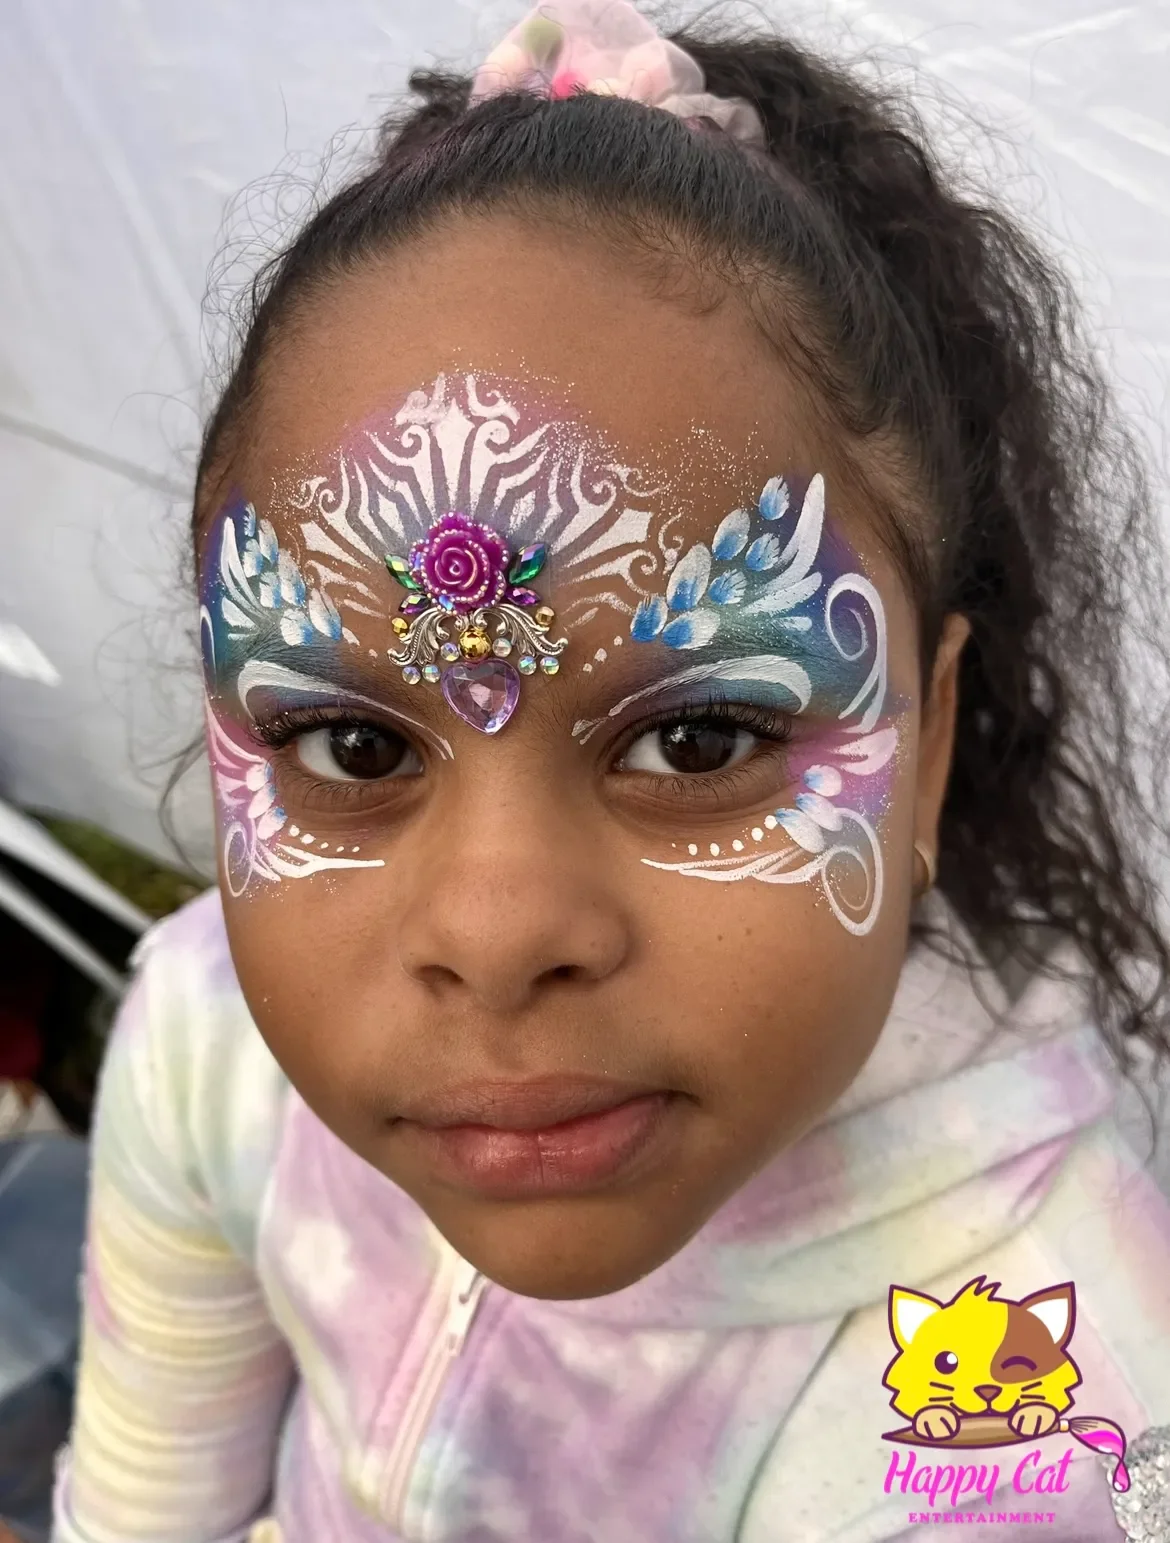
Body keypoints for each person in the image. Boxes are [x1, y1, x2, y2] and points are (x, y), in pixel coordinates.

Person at [50, 2, 1170, 1538]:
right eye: (353, 743)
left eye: (699, 738)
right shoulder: (207, 1044)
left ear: (925, 753)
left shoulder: (1023, 1389)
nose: (498, 929)